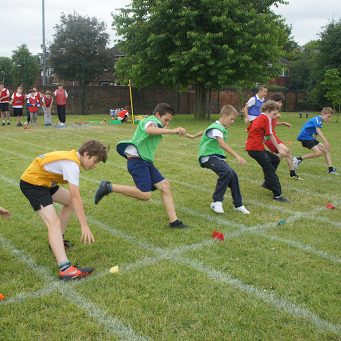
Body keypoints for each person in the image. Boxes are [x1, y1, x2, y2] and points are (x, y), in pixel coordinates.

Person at [20, 140, 109, 280]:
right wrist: (84, 225)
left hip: (45, 182)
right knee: (53, 223)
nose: (95, 165)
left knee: (69, 203)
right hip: (33, 184)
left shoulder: (73, 160)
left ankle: (57, 240)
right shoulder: (72, 165)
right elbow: (76, 197)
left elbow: (73, 200)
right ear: (86, 154)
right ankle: (65, 269)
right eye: (95, 161)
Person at [94, 103, 188, 228]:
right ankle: (108, 187)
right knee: (145, 194)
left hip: (145, 161)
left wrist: (170, 130)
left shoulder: (156, 122)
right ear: (158, 115)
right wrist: (173, 130)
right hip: (137, 161)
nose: (167, 124)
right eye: (166, 120)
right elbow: (150, 129)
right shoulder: (151, 120)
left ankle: (174, 222)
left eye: (169, 122)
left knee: (165, 186)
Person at [187, 105, 250, 215]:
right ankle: (216, 201)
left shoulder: (217, 127)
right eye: (231, 119)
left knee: (232, 175)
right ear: (224, 116)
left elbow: (204, 131)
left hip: (215, 156)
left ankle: (238, 205)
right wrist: (237, 155)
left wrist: (193, 136)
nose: (233, 121)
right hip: (207, 156)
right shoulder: (216, 128)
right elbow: (221, 144)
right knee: (226, 172)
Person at [246, 100, 289, 202]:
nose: (275, 116)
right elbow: (271, 135)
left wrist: (261, 137)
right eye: (274, 114)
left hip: (254, 148)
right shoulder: (266, 119)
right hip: (255, 149)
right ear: (268, 110)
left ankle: (267, 182)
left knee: (274, 159)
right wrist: (279, 149)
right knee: (269, 169)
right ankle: (277, 194)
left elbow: (250, 129)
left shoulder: (259, 117)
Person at [264, 93, 302, 180]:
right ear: (273, 102)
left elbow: (272, 124)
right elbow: (265, 123)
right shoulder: (270, 112)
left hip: (273, 136)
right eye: (279, 102)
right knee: (283, 152)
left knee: (286, 152)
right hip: (270, 137)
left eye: (281, 102)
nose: (280, 104)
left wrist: (283, 123)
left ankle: (291, 173)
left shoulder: (274, 112)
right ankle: (270, 172)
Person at [293, 107, 339, 175]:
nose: (329, 119)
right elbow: (318, 130)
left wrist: (315, 139)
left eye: (330, 117)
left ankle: (330, 169)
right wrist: (325, 141)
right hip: (304, 137)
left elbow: (315, 132)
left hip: (309, 137)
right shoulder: (317, 119)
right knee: (318, 153)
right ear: (323, 113)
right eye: (328, 116)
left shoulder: (320, 121)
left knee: (325, 150)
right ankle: (298, 159)